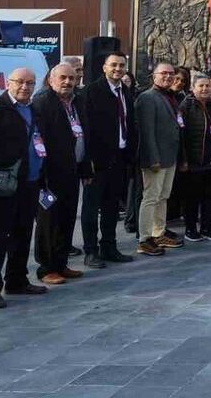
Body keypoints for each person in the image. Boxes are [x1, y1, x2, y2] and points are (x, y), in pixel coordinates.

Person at [0, 68, 48, 308]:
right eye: (20, 82)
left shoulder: (34, 109)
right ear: (8, 82)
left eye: (30, 82)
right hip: (4, 185)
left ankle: (17, 280)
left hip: (30, 182)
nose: (25, 87)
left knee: (22, 233)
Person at [31, 63, 90, 285]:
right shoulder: (43, 102)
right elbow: (39, 138)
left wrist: (85, 166)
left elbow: (84, 133)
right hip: (50, 174)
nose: (68, 82)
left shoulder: (76, 101)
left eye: (72, 78)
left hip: (72, 170)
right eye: (63, 78)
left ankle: (61, 263)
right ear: (51, 79)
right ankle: (46, 268)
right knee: (49, 222)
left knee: (66, 218)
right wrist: (42, 174)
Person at [82, 52, 137, 268]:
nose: (118, 68)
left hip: (119, 158)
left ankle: (109, 246)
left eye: (121, 65)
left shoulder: (125, 91)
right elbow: (86, 129)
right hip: (98, 161)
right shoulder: (92, 92)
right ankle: (91, 250)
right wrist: (87, 163)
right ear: (104, 67)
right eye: (113, 65)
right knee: (91, 207)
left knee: (112, 207)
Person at [133, 63, 183, 258]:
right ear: (154, 76)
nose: (168, 77)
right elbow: (146, 132)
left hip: (169, 156)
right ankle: (145, 239)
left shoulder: (168, 97)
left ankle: (158, 233)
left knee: (163, 197)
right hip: (156, 158)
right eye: (164, 73)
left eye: (171, 74)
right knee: (151, 197)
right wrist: (152, 158)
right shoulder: (147, 98)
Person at [178, 73, 211, 242]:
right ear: (193, 88)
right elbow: (181, 135)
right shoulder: (186, 106)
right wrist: (183, 159)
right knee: (192, 198)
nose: (205, 89)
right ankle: (191, 229)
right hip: (195, 161)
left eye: (207, 85)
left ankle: (208, 227)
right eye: (201, 86)